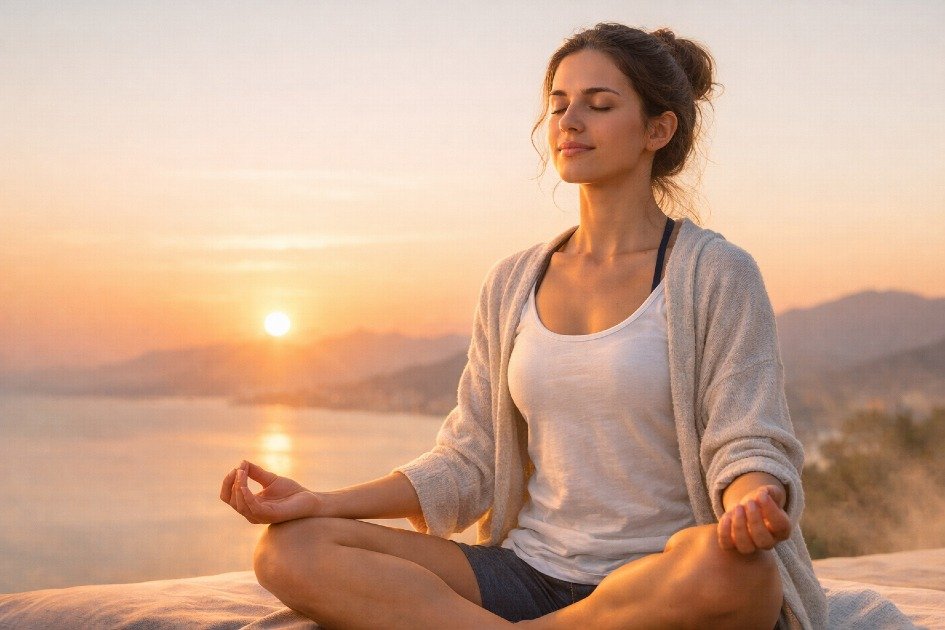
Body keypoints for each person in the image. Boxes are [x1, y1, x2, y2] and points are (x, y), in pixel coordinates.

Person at [220, 22, 828, 629]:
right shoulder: (513, 283)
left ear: (657, 130)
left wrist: (753, 505)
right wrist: (322, 502)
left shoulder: (716, 273)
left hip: (659, 581)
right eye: (559, 104)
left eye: (600, 104)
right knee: (289, 548)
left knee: (738, 572)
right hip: (526, 576)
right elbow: (469, 460)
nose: (569, 121)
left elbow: (747, 440)